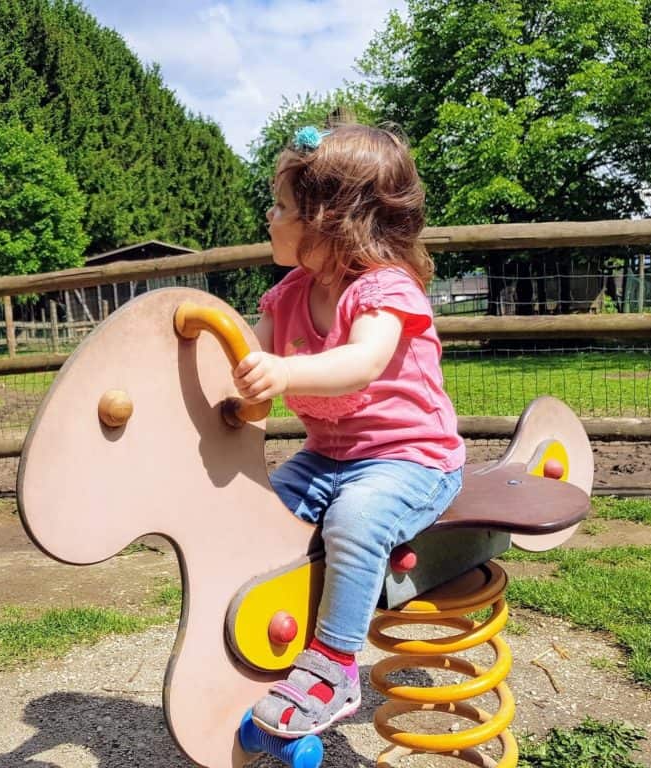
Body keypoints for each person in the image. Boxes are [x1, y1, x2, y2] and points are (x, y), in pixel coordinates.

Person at [233, 123, 465, 738]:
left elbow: (360, 362)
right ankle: (265, 635)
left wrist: (284, 371)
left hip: (413, 457)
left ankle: (334, 668)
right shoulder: (282, 299)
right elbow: (240, 375)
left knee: (355, 519)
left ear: (330, 221)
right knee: (260, 515)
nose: (269, 213)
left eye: (282, 205)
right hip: (328, 455)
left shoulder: (385, 290)